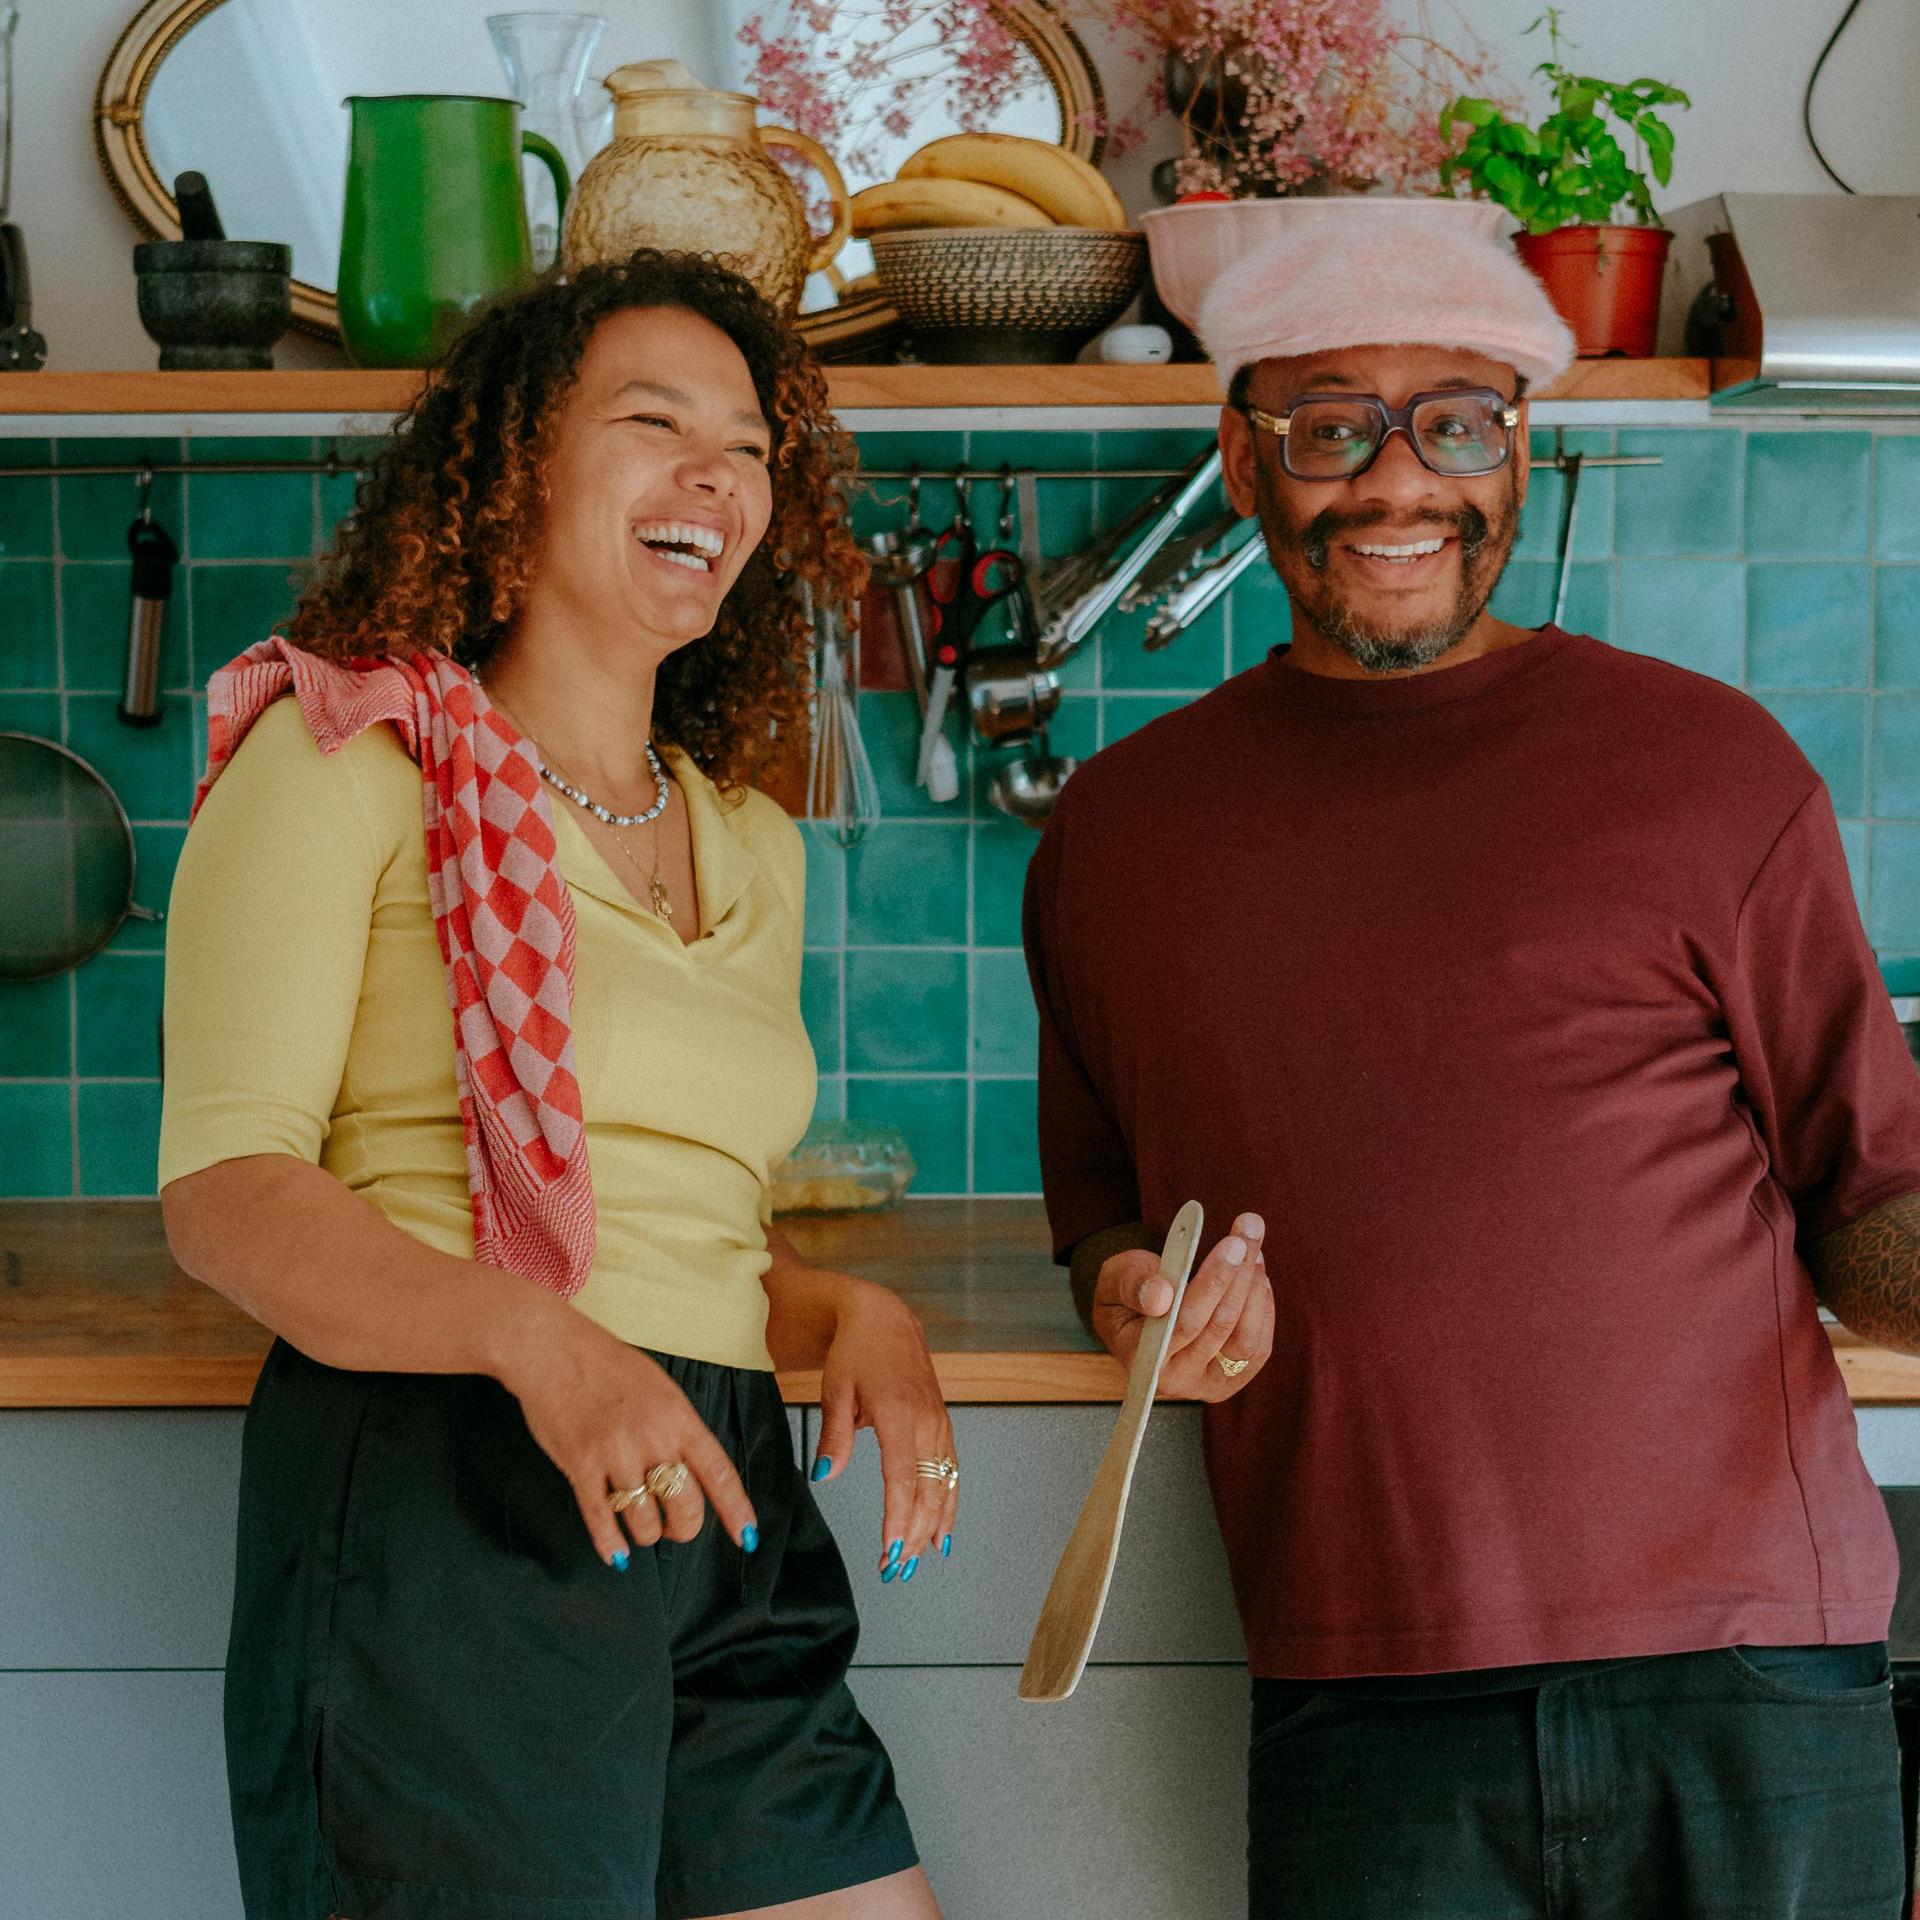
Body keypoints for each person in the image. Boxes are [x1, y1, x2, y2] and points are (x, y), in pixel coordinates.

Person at [1022, 209, 1920, 1917]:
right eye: (1332, 423)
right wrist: (1134, 1292)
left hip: (1750, 1673)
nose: (1396, 480)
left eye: (1455, 419)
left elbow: (1870, 1195)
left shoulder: (1712, 773)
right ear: (1244, 454)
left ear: (1519, 448)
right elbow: (1104, 1218)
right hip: (1367, 1680)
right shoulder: (1119, 842)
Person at [159, 250, 956, 1920]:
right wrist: (541, 1344)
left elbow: (671, 1219)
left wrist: (833, 1312)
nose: (715, 478)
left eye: (747, 446)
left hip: (714, 1487)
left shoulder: (745, 833)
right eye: (653, 422)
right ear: (514, 465)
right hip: (454, 1483)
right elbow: (228, 1198)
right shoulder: (342, 758)